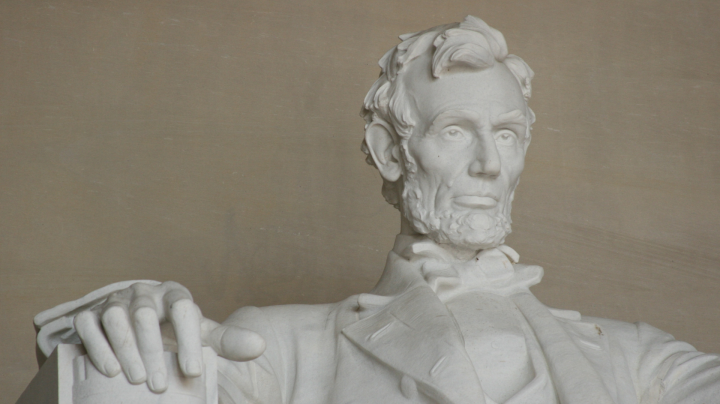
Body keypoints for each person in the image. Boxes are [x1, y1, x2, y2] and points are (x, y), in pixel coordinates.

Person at [34, 16, 720, 404]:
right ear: (392, 153)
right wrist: (122, 328)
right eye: (457, 131)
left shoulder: (637, 359)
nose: (490, 163)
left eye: (507, 135)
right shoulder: (285, 349)